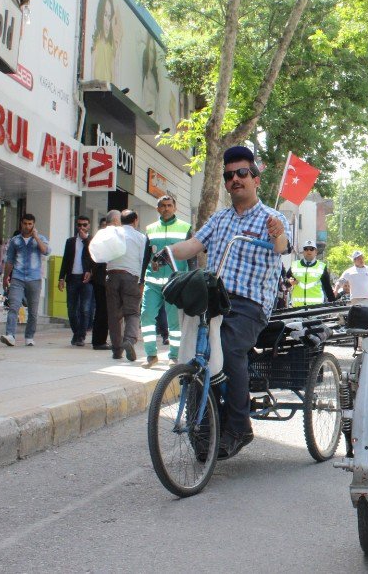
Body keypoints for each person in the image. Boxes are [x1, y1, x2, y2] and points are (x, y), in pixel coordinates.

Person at [165, 146, 291, 460]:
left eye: (242, 173)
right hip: (214, 300)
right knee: (197, 354)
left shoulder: (271, 218)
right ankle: (203, 428)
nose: (235, 179)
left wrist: (277, 234)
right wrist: (164, 252)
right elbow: (194, 245)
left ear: (256, 179)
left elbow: (281, 246)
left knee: (229, 348)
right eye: (229, 175)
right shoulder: (219, 219)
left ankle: (239, 427)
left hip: (250, 305)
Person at [140, 195, 194, 369]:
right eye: (162, 206)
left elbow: (191, 256)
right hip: (152, 283)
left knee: (175, 322)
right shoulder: (150, 229)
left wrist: (192, 278)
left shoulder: (185, 228)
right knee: (146, 316)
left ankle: (174, 356)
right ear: (158, 209)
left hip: (175, 284)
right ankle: (151, 355)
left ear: (175, 208)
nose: (166, 208)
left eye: (169, 205)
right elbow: (145, 257)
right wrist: (141, 279)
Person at [0, 214, 50, 347]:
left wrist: (36, 237)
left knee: (33, 311)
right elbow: (9, 261)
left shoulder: (41, 238)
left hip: (34, 279)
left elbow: (46, 251)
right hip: (18, 277)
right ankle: (10, 335)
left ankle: (29, 336)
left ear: (34, 225)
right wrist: (5, 278)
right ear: (21, 224)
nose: (27, 226)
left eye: (30, 224)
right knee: (13, 306)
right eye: (25, 223)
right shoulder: (15, 241)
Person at [105, 210, 148, 362]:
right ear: (135, 220)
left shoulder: (112, 234)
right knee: (133, 313)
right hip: (131, 277)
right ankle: (129, 340)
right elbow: (144, 261)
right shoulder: (141, 237)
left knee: (114, 315)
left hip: (112, 275)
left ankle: (117, 350)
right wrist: (142, 281)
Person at [58, 216, 94, 347]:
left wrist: (86, 240)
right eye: (79, 225)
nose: (82, 228)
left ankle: (81, 336)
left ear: (88, 226)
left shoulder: (92, 241)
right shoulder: (70, 241)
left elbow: (95, 259)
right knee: (71, 309)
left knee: (85, 309)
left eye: (85, 225)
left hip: (87, 280)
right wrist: (61, 277)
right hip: (72, 278)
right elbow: (65, 260)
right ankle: (76, 333)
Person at [287, 241, 335, 306]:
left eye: (311, 249)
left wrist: (333, 304)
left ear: (316, 252)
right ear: (303, 252)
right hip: (297, 308)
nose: (308, 251)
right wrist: (289, 282)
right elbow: (285, 280)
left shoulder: (322, 267)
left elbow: (328, 288)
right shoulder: (294, 265)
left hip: (316, 309)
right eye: (306, 249)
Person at [90, 217, 111, 351]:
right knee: (102, 310)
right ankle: (98, 341)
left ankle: (100, 340)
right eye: (103, 226)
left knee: (105, 311)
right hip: (100, 281)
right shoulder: (97, 241)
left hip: (108, 279)